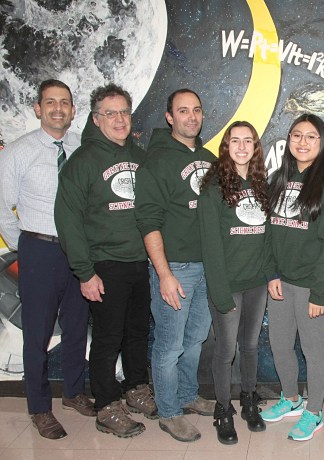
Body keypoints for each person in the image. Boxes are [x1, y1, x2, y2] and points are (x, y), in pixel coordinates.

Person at [55, 83, 156, 438]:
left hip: (139, 262)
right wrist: (85, 272)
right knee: (107, 338)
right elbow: (67, 220)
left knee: (137, 333)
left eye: (124, 112)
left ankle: (135, 388)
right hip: (104, 264)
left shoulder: (141, 157)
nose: (119, 119)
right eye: (110, 113)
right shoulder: (82, 162)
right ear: (96, 120)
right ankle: (106, 405)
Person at [0, 80, 94, 440]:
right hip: (40, 250)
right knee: (37, 334)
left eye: (65, 103)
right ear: (38, 108)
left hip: (79, 251)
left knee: (76, 326)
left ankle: (73, 392)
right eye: (51, 102)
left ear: (73, 110)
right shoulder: (17, 153)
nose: (58, 109)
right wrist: (25, 245)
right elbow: (2, 209)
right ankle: (39, 407)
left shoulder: (80, 149)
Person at [135, 88, 215, 442]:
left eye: (196, 110)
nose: (191, 117)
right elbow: (148, 221)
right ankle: (168, 411)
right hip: (176, 269)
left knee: (195, 339)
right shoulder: (156, 160)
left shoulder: (210, 157)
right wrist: (164, 274)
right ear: (170, 117)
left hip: (208, 268)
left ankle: (187, 395)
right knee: (169, 345)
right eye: (183, 111)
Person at [260, 113, 324, 442]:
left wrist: (320, 293)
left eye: (311, 136)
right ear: (288, 140)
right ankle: (291, 399)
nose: (303, 142)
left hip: (314, 285)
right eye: (297, 135)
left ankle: (314, 412)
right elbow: (267, 231)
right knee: (280, 345)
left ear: (322, 143)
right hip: (282, 282)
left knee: (312, 349)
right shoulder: (279, 177)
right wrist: (271, 274)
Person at [197, 121, 272, 444]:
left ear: (255, 147)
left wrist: (270, 276)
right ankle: (223, 409)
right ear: (225, 147)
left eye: (248, 141)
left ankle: (249, 399)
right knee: (225, 350)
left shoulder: (261, 184)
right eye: (235, 141)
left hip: (256, 283)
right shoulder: (213, 187)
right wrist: (220, 291)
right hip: (227, 285)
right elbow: (210, 246)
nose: (242, 147)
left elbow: (268, 238)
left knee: (251, 345)